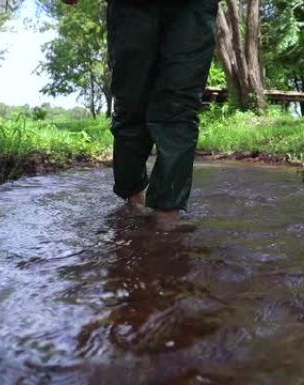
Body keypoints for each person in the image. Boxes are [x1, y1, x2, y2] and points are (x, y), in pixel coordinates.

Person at [62, 0, 218, 229]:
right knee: (130, 103)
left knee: (178, 106)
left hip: (193, 6)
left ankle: (167, 219)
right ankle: (134, 204)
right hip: (129, 6)